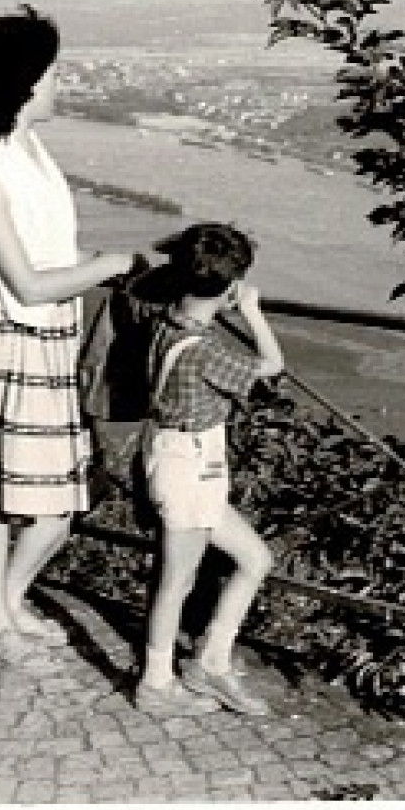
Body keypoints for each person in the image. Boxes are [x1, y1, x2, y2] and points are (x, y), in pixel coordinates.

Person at [0, 7, 137, 673]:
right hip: (7, 336)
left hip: (45, 339)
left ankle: (7, 604)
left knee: (53, 490)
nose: (60, 83)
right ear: (24, 84)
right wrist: (112, 264)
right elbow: (26, 284)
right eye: (52, 73)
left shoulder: (27, 150)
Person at [133, 223, 284, 716]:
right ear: (230, 285)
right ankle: (155, 684)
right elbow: (271, 365)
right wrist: (253, 313)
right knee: (177, 581)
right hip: (191, 467)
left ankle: (210, 660)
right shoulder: (206, 351)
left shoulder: (166, 323)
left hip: (176, 458)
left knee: (256, 559)